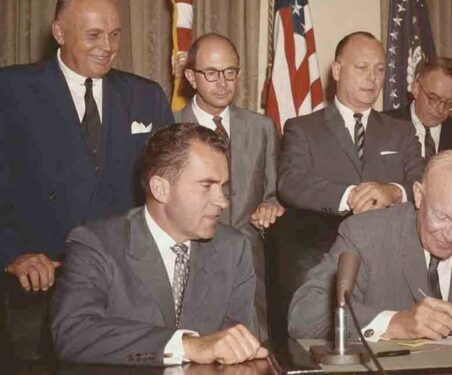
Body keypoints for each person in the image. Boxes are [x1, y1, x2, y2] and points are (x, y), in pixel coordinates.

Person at [51, 123, 267, 365]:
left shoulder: (233, 248)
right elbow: (73, 334)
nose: (222, 202)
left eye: (223, 187)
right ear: (160, 189)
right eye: (207, 186)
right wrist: (185, 345)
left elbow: (241, 344)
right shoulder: (96, 244)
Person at [0, 0, 173, 291]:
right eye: (94, 35)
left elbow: (170, 187)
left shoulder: (146, 95)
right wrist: (12, 254)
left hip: (128, 281)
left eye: (115, 34)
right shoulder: (10, 91)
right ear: (59, 32)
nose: (108, 46)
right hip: (40, 280)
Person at [272, 31, 424, 341]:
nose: (372, 78)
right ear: (338, 71)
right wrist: (348, 195)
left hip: (389, 258)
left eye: (380, 69)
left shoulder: (402, 131)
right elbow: (291, 181)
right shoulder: (303, 128)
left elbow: (422, 181)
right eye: (362, 67)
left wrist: (393, 191)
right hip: (325, 256)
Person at [288, 150, 452, 341]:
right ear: (419, 195)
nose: (451, 235)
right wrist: (396, 323)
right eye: (442, 217)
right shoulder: (365, 234)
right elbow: (305, 317)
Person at [174, 33, 282, 341]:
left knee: (253, 348)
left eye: (230, 72)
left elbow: (274, 191)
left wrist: (270, 204)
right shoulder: (169, 127)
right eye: (211, 73)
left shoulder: (261, 128)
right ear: (192, 77)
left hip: (249, 264)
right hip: (193, 260)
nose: (222, 82)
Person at [384, 57, 452, 157]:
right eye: (434, 99)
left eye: (450, 104)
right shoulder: (383, 127)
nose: (440, 110)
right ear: (416, 89)